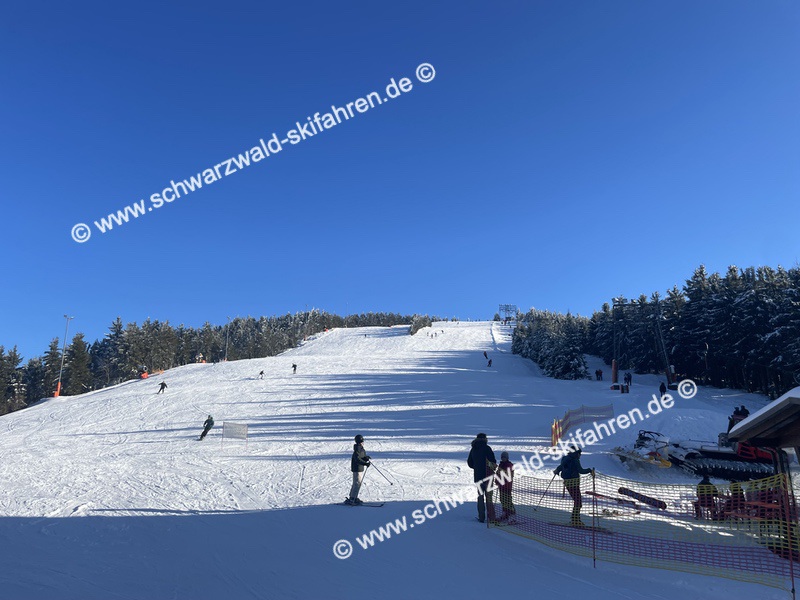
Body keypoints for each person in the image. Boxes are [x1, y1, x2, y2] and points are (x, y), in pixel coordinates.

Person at [554, 446, 594, 526]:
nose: (580, 455)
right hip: (574, 483)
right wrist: (590, 470)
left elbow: (561, 466)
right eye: (579, 453)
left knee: (577, 501)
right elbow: (581, 471)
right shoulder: (575, 460)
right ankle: (575, 520)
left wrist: (557, 470)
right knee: (578, 502)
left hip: (567, 483)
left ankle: (574, 519)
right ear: (576, 453)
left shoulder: (566, 458)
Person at [467, 433, 497, 523]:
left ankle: (481, 517)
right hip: (488, 476)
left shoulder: (473, 449)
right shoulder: (487, 448)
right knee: (489, 497)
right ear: (484, 439)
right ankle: (491, 517)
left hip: (478, 477)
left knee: (480, 496)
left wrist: (476, 467)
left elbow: (470, 462)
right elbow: (493, 461)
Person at [346, 435, 371, 505]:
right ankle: (352, 498)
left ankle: (353, 497)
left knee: (357, 483)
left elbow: (361, 456)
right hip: (357, 468)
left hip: (359, 468)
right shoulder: (357, 449)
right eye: (362, 441)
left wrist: (366, 458)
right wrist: (365, 463)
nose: (363, 443)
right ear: (360, 442)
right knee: (357, 483)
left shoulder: (361, 449)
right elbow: (357, 459)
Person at [497, 451, 516, 521]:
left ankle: (508, 511)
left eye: (504, 457)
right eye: (502, 457)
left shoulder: (509, 465)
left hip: (507, 485)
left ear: (507, 458)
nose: (503, 459)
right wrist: (497, 480)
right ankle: (506, 511)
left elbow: (509, 475)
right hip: (501, 486)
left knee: (507, 498)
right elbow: (498, 473)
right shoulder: (501, 464)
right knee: (502, 498)